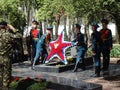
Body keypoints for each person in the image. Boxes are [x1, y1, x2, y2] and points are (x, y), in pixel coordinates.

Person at [0, 21, 22, 89]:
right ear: (6, 27)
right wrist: (13, 28)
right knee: (6, 75)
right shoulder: (8, 35)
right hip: (6, 58)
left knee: (0, 74)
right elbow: (19, 36)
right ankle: (5, 88)